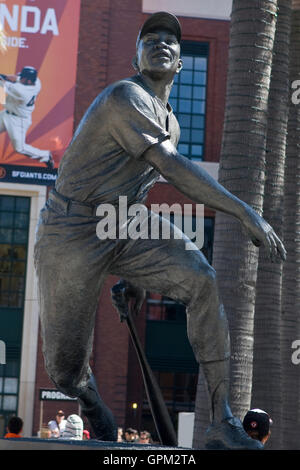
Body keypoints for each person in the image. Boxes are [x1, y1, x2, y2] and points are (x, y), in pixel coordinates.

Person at [34, 11, 286, 449]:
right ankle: (93, 403)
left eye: (171, 40)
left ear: (181, 64)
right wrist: (245, 211)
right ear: (135, 56)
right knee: (65, 369)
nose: (161, 43)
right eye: (150, 38)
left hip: (123, 220)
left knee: (202, 280)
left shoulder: (170, 121)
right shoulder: (123, 97)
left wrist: (131, 273)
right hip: (71, 227)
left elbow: (141, 184)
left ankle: (221, 419)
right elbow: (172, 166)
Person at [0, 66, 54, 169]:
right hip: (7, 114)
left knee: (19, 148)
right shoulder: (37, 82)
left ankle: (45, 156)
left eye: (24, 78)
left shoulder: (21, 91)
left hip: (18, 120)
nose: (21, 78)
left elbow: (4, 86)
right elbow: (16, 78)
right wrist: (5, 77)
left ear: (29, 81)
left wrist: (3, 78)